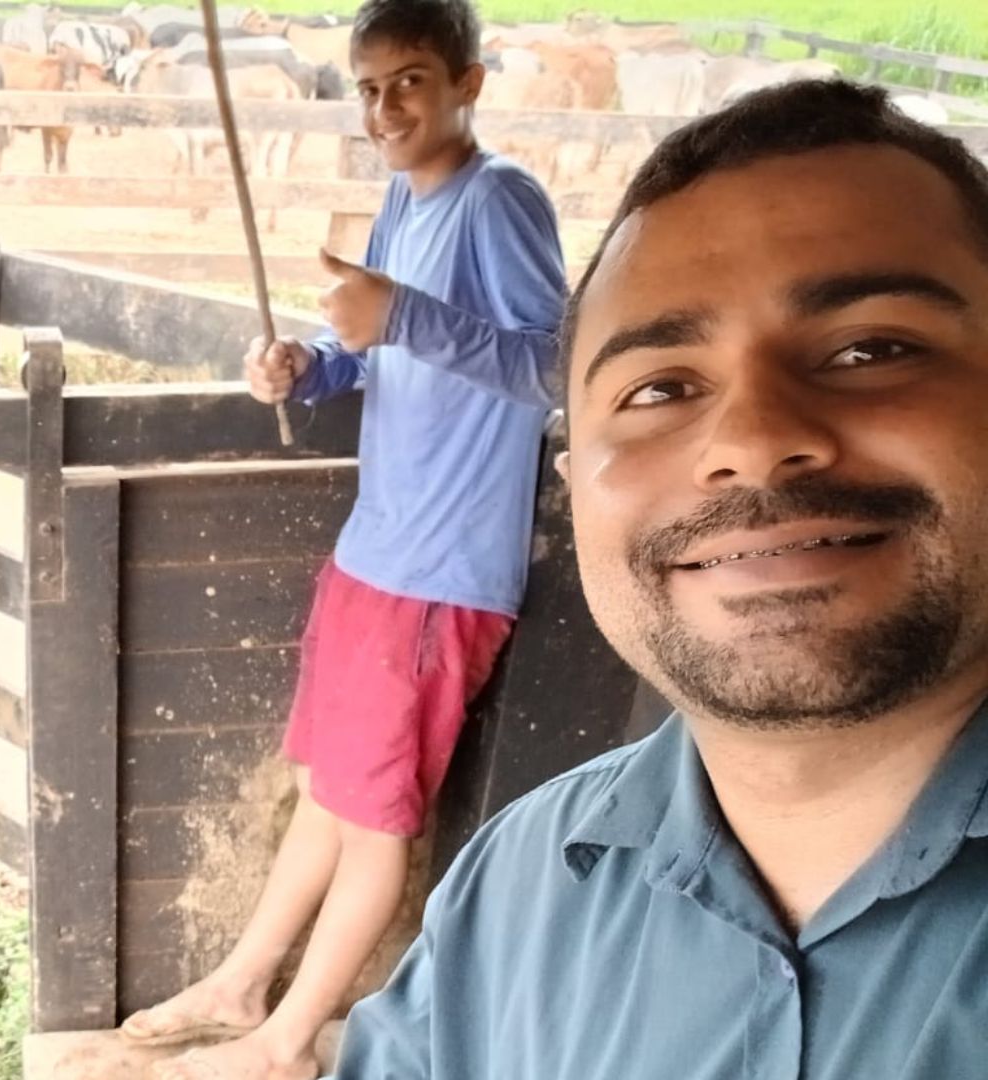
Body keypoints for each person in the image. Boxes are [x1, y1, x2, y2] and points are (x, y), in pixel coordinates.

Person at [335, 78, 988, 1077]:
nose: (754, 444)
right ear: (572, 485)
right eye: (660, 389)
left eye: (869, 349)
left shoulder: (494, 202)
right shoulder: (518, 891)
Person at [120, 2, 568, 1077]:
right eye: (368, 88)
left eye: (410, 80)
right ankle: (240, 985)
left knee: (373, 820)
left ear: (469, 81)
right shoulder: (399, 202)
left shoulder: (499, 200)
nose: (385, 108)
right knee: (331, 784)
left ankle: (287, 1043)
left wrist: (399, 316)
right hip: (378, 550)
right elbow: (373, 343)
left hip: (442, 569)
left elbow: (552, 368)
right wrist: (311, 365)